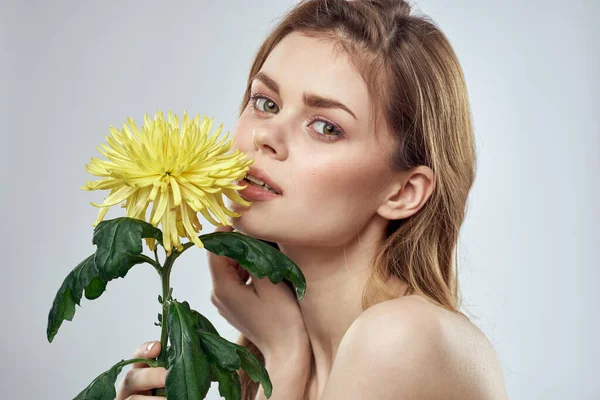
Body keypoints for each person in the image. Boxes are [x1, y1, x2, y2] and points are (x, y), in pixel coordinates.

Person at [116, 0, 509, 399]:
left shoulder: (401, 337)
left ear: (403, 192)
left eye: (325, 127)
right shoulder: (277, 358)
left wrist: (285, 357)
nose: (266, 136)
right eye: (265, 103)